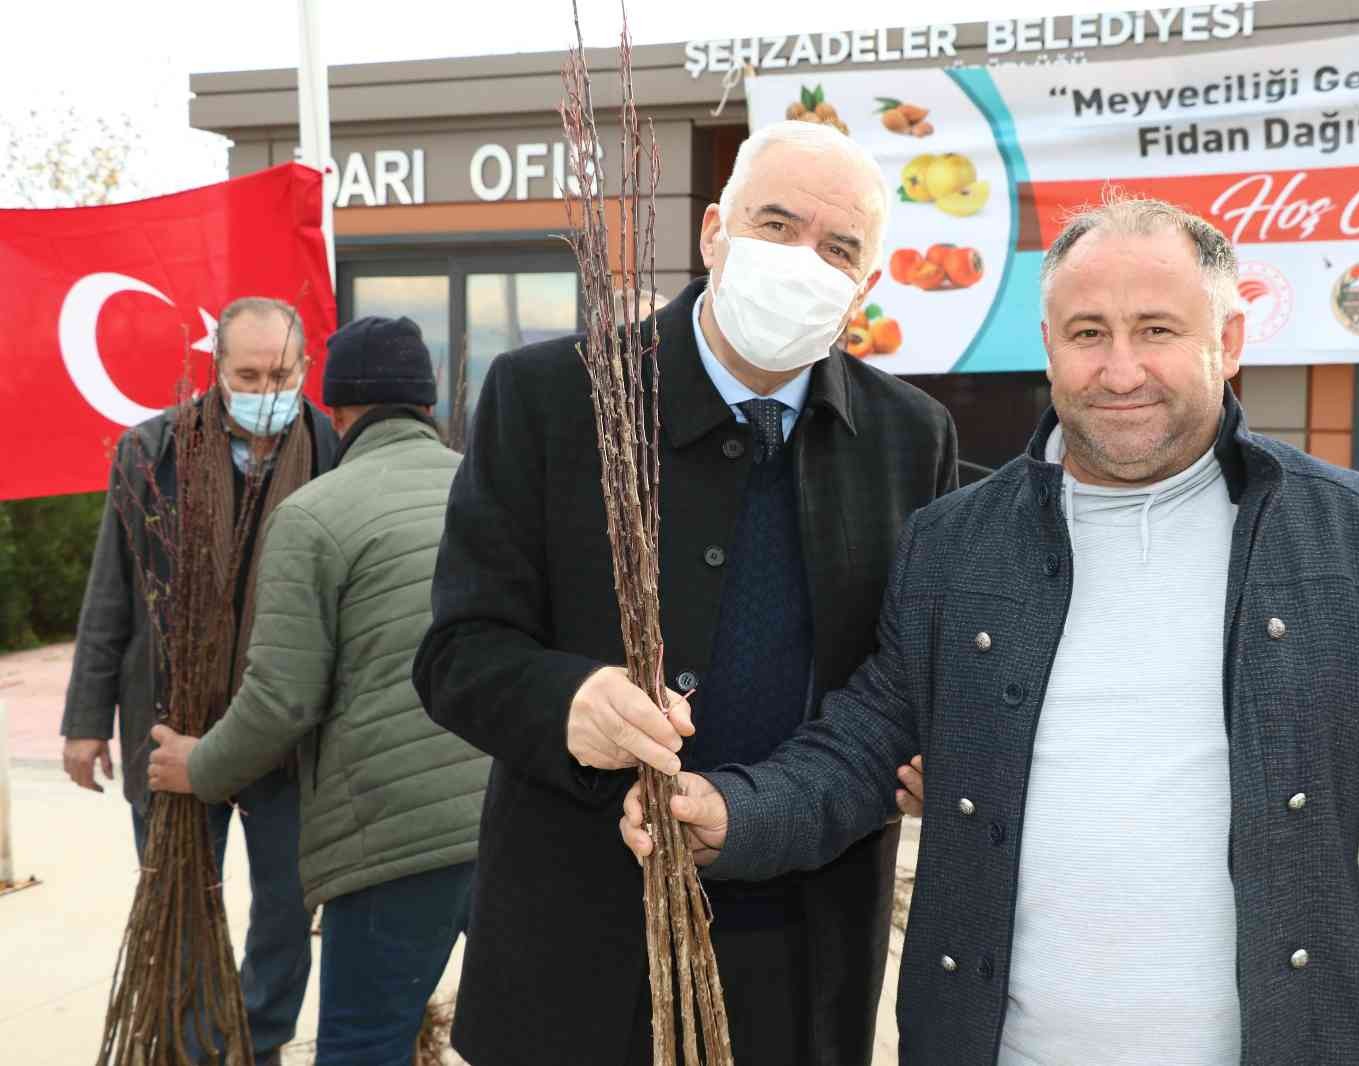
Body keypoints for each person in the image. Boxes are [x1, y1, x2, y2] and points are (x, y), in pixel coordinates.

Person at [621, 195, 1359, 1066]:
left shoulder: (1358, 537)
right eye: (1088, 333)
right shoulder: (954, 544)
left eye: (1157, 331)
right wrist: (736, 813)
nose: (1120, 371)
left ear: (1228, 342)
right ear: (1049, 346)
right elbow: (864, 744)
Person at [412, 119, 959, 1066]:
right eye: (775, 225)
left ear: (866, 285)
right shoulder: (552, 398)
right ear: (713, 233)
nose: (802, 261)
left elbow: (910, 681)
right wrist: (568, 701)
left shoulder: (910, 438)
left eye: (838, 249)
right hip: (577, 943)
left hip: (807, 951)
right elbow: (458, 652)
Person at [145, 314, 489, 1066]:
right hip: (507, 819)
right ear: (428, 404)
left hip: (392, 836)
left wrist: (200, 766)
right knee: (527, 1034)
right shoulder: (489, 489)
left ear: (335, 413)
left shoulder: (312, 514)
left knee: (364, 1044)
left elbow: (283, 699)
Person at [61, 296, 332, 1066]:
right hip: (169, 721)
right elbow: (111, 593)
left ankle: (258, 1040)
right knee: (180, 905)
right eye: (247, 375)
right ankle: (198, 1046)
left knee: (287, 911)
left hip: (284, 729)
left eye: (280, 374)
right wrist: (85, 722)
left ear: (305, 368)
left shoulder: (329, 450)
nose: (265, 389)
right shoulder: (151, 452)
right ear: (216, 370)